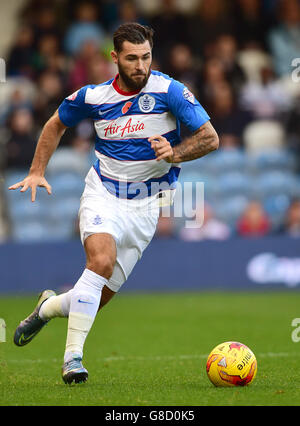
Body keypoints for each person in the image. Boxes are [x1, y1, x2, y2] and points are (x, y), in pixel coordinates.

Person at [10, 23, 219, 384]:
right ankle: (72, 360)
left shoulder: (170, 90)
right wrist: (36, 170)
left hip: (147, 207)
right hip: (104, 194)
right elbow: (56, 123)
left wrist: (175, 153)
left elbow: (210, 138)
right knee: (101, 261)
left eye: (147, 57)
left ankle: (46, 308)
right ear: (115, 58)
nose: (141, 65)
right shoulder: (93, 97)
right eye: (133, 58)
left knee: (92, 297)